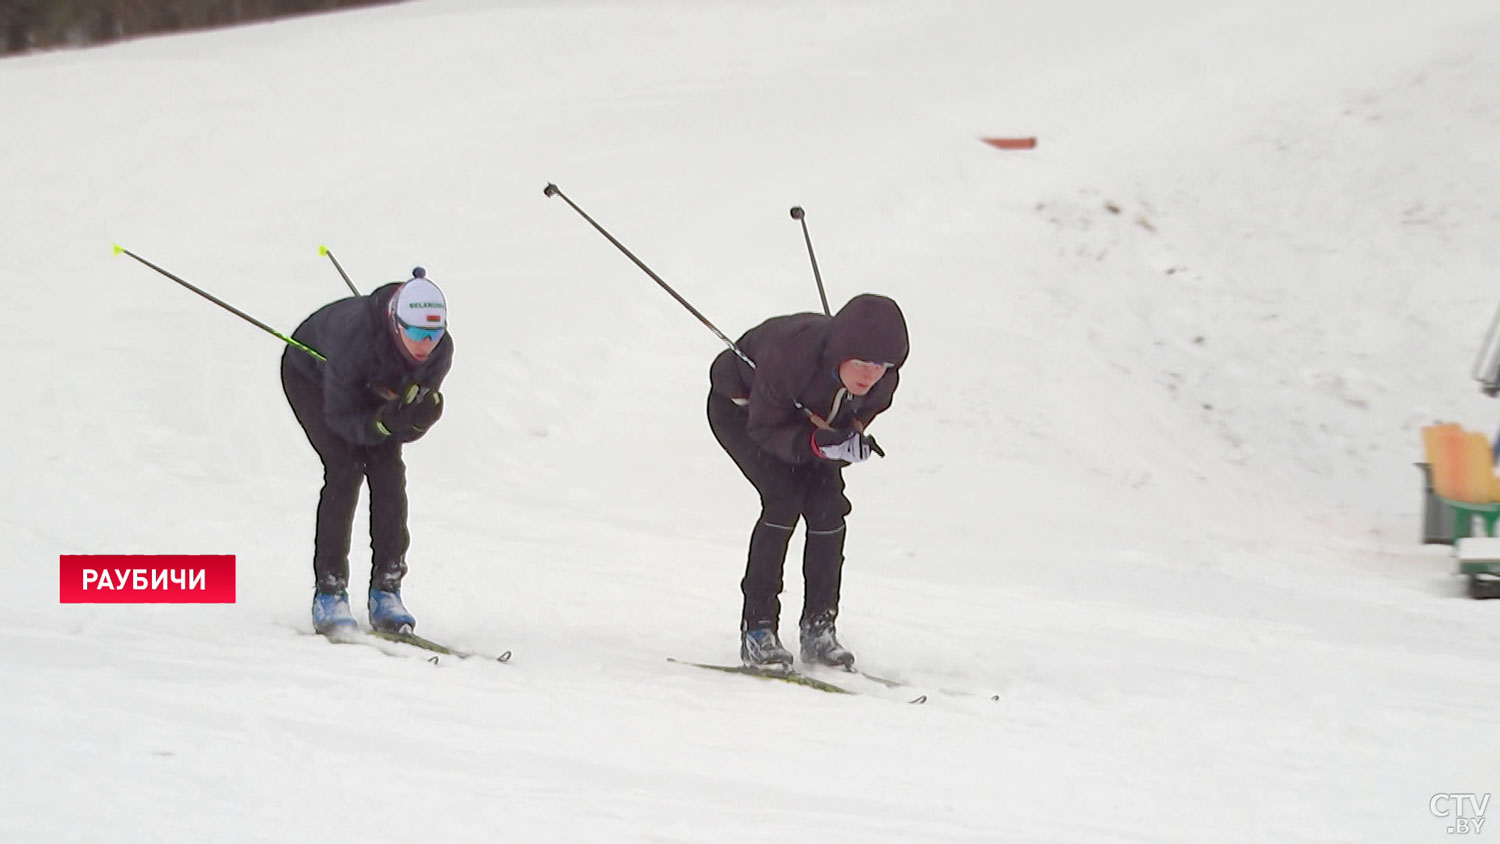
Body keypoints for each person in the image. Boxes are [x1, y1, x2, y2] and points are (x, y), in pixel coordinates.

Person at [707, 293, 909, 669]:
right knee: (783, 498)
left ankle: (819, 629)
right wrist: (818, 444)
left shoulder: (882, 382)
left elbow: (858, 411)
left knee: (828, 506)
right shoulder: (791, 357)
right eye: (862, 362)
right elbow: (765, 427)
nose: (870, 374)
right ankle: (758, 631)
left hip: (802, 424)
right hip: (744, 412)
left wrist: (850, 436)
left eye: (881, 364)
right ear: (842, 351)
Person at [280, 268, 453, 636]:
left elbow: (403, 422)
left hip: (371, 386)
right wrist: (382, 424)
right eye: (418, 333)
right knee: (345, 467)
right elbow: (342, 417)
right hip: (310, 374)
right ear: (396, 323)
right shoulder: (353, 342)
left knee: (388, 469)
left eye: (434, 334)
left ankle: (387, 588)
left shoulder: (439, 353)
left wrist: (415, 422)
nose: (426, 345)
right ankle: (329, 591)